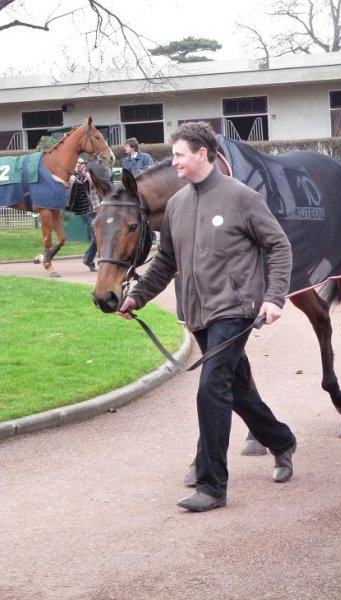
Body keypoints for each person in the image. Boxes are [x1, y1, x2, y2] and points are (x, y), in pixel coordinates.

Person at [118, 122, 296, 513]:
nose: (174, 161)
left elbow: (278, 246)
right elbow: (166, 261)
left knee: (211, 387)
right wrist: (138, 297)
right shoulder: (179, 204)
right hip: (199, 313)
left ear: (202, 154)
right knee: (238, 390)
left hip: (236, 310)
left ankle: (212, 485)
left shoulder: (242, 198)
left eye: (179, 154)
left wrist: (274, 297)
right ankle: (281, 441)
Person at [68, 158, 106, 272]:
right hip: (86, 211)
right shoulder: (72, 177)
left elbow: (94, 183)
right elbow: (71, 185)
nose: (79, 165)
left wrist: (87, 173)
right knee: (97, 236)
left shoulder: (88, 175)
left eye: (81, 163)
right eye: (77, 163)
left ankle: (89, 260)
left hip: (96, 209)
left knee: (100, 236)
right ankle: (96, 261)